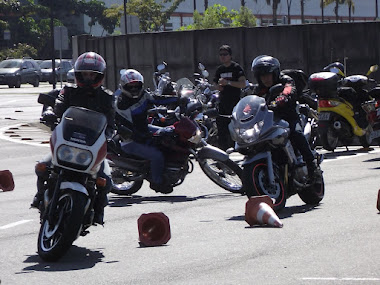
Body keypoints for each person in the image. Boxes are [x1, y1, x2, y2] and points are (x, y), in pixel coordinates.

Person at [31, 51, 115, 225]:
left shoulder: (107, 97)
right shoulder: (68, 91)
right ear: (78, 74)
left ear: (99, 76)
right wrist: (49, 113)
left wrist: (111, 137)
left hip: (92, 146)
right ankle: (40, 196)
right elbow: (58, 105)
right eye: (84, 74)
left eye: (92, 75)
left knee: (105, 181)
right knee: (42, 167)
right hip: (67, 141)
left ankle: (98, 212)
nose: (88, 78)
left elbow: (112, 122)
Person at [251, 55, 319, 181]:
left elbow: (289, 89)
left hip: (289, 117)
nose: (265, 78)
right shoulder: (259, 89)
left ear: (275, 73)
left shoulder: (285, 80)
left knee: (296, 133)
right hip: (269, 121)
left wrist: (282, 98)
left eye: (268, 74)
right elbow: (250, 102)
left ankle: (311, 165)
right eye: (261, 75)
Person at [113, 68, 179, 194]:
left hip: (143, 129)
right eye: (130, 86)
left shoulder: (144, 95)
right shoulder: (121, 105)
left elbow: (158, 99)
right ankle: (157, 182)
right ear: (123, 86)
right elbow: (129, 129)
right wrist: (150, 137)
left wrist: (178, 99)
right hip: (130, 140)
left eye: (136, 85)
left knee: (170, 131)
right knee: (157, 156)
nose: (133, 89)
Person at [213, 44, 247, 151]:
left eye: (225, 54)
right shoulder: (220, 70)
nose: (223, 56)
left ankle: (236, 150)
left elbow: (243, 84)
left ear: (230, 55)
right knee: (221, 128)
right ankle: (222, 153)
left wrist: (227, 82)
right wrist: (218, 86)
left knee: (234, 128)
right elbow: (214, 83)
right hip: (222, 102)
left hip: (235, 102)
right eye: (221, 54)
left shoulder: (236, 68)